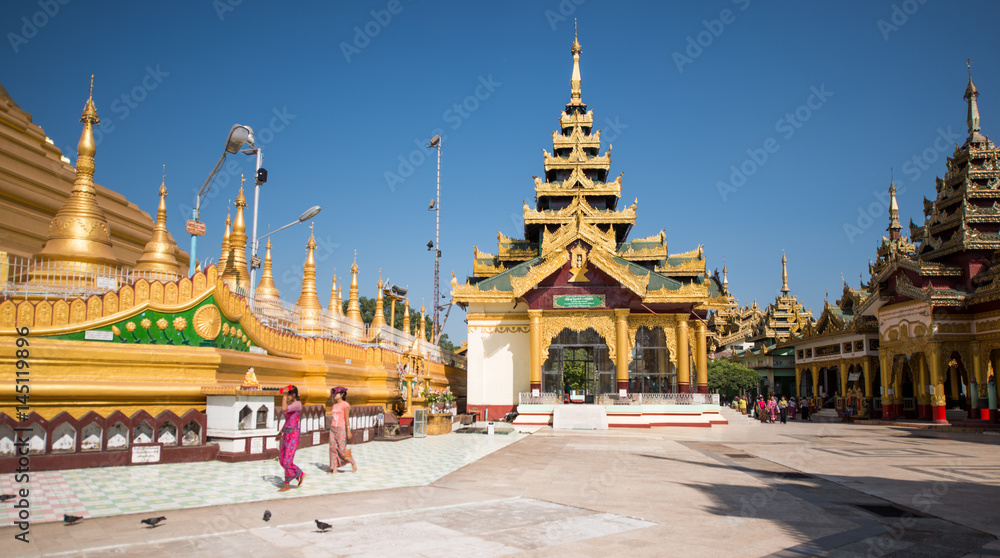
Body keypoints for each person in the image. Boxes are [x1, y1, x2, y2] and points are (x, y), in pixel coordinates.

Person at [278, 385, 305, 492]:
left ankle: (287, 484)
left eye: (288, 395)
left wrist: (283, 396)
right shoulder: (290, 404)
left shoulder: (297, 404)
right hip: (286, 434)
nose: (287, 397)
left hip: (293, 435)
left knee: (287, 461)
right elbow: (288, 420)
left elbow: (284, 409)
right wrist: (280, 432)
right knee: (281, 460)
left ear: (293, 394)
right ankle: (300, 473)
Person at [328, 386, 357, 474]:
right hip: (333, 428)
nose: (335, 395)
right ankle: (334, 468)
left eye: (336, 394)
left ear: (342, 395)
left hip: (341, 428)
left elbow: (347, 418)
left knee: (342, 449)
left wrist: (348, 430)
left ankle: (352, 462)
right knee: (332, 448)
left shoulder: (345, 404)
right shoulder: (334, 405)